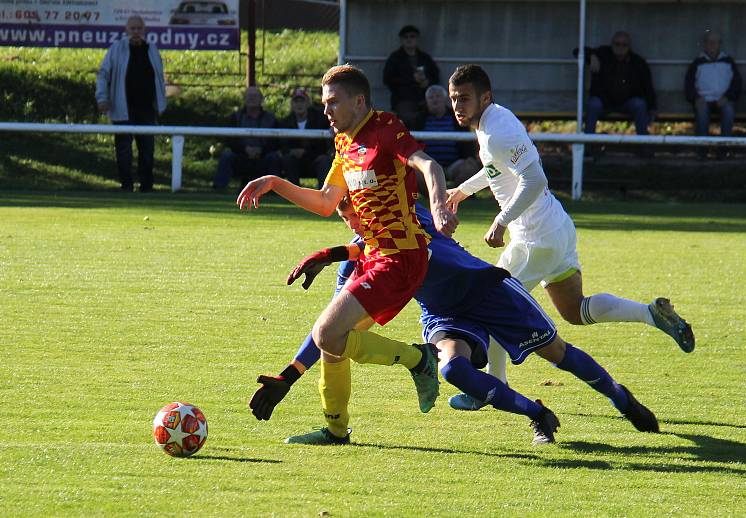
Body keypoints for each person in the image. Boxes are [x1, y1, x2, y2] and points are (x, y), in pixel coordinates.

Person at [248, 198, 660, 446]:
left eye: (353, 211)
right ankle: (536, 413)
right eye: (344, 217)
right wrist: (289, 375)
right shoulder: (363, 257)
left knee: (556, 353)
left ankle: (622, 399)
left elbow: (375, 241)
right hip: (444, 313)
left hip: (487, 291)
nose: (352, 222)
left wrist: (335, 251)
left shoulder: (409, 218)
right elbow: (329, 329)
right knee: (452, 369)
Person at [445, 64, 694, 411]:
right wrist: (464, 190)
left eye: (465, 98)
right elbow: (499, 168)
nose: (457, 105)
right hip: (555, 227)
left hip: (535, 237)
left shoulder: (496, 130)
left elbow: (533, 180)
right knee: (575, 310)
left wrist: (501, 220)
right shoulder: (494, 121)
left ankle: (491, 387)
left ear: (485, 96)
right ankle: (651, 314)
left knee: (494, 304)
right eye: (454, 98)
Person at [237, 64, 458, 444]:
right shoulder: (344, 141)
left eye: (333, 103)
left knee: (328, 333)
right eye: (324, 104)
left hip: (401, 258)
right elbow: (326, 202)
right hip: (372, 256)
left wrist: (437, 204)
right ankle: (337, 430)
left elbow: (429, 164)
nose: (326, 111)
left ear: (359, 101)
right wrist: (274, 182)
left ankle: (419, 360)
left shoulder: (386, 129)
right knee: (332, 343)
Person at [96, 15, 166, 192]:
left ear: (144, 30)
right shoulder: (116, 49)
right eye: (132, 29)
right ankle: (126, 186)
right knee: (124, 152)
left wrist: (161, 103)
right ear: (126, 30)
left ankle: (147, 187)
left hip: (147, 109)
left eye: (139, 28)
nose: (136, 32)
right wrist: (102, 98)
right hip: (122, 109)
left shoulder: (152, 50)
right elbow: (103, 74)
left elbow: (159, 78)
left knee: (147, 151)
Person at [579, 31, 657, 136]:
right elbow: (578, 51)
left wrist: (652, 107)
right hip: (604, 102)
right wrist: (592, 55)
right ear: (612, 44)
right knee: (593, 104)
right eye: (617, 44)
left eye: (624, 45)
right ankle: (587, 146)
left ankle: (644, 145)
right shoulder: (603, 54)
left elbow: (648, 86)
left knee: (640, 104)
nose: (621, 47)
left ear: (629, 47)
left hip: (627, 102)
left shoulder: (638, 62)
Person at [212, 87, 281, 190]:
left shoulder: (271, 118)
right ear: (244, 99)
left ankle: (276, 191)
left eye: (255, 96)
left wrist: (261, 150)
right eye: (249, 96)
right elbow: (230, 140)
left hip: (263, 158)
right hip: (241, 157)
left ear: (262, 99)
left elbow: (276, 142)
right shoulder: (235, 117)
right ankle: (218, 190)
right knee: (227, 156)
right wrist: (245, 149)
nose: (252, 98)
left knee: (274, 157)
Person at [414, 85, 481, 188]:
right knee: (413, 170)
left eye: (438, 96)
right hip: (427, 164)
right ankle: (434, 196)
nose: (435, 100)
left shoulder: (458, 117)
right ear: (426, 101)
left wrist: (469, 159)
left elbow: (468, 146)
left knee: (470, 166)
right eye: (431, 97)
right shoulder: (418, 119)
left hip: (454, 165)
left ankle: (457, 194)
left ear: (446, 99)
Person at [684, 30, 742, 142]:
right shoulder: (697, 62)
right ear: (704, 44)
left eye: (715, 42)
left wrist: (728, 97)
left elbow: (737, 83)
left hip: (724, 99)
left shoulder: (728, 61)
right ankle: (701, 151)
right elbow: (689, 84)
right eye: (709, 42)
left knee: (729, 111)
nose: (712, 45)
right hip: (703, 99)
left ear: (720, 44)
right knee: (701, 112)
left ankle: (724, 151)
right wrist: (695, 98)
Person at [383, 25, 441, 126]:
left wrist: (428, 82)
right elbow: (387, 79)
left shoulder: (425, 58)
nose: (409, 39)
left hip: (424, 99)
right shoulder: (395, 58)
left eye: (412, 36)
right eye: (406, 37)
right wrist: (410, 79)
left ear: (417, 38)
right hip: (403, 99)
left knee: (431, 120)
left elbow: (436, 76)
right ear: (401, 39)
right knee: (409, 123)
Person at [278, 87, 333, 188]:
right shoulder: (285, 122)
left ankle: (324, 193)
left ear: (308, 103)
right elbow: (282, 145)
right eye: (296, 101)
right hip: (295, 161)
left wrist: (306, 152)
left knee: (324, 160)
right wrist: (292, 151)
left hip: (314, 159)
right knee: (287, 159)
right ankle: (293, 193)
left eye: (302, 101)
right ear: (292, 104)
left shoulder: (320, 120)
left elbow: (323, 146)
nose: (299, 104)